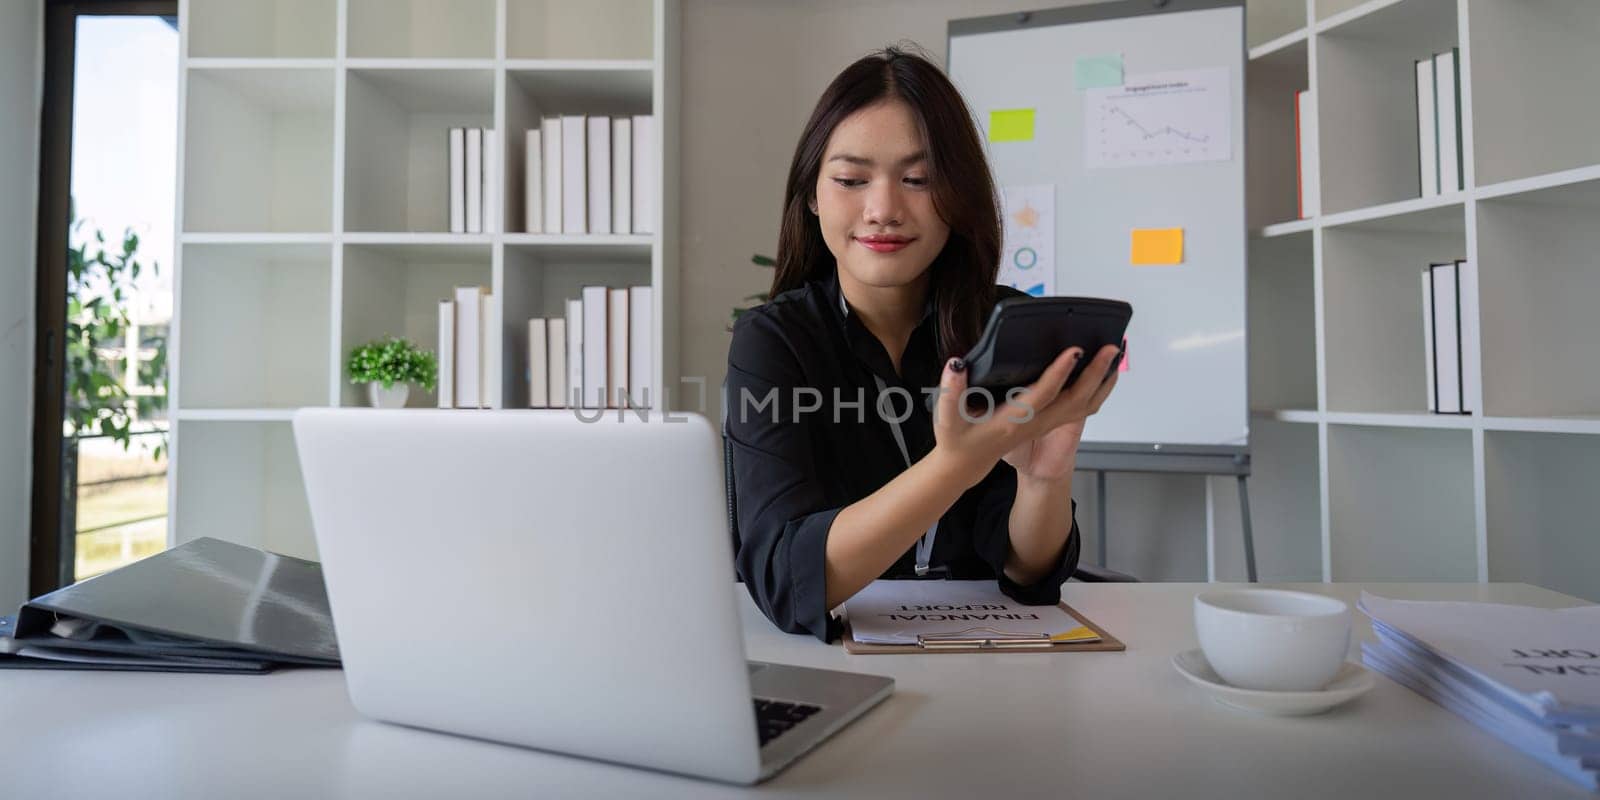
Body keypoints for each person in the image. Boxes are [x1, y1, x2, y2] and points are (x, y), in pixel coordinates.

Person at [725, 46, 1121, 642]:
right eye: (852, 180)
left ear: (956, 197)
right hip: (834, 670)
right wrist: (952, 467)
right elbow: (787, 579)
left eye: (918, 179)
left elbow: (1028, 574)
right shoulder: (774, 343)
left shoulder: (1003, 325)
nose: (883, 209)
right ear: (812, 197)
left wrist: (1045, 480)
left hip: (993, 669)